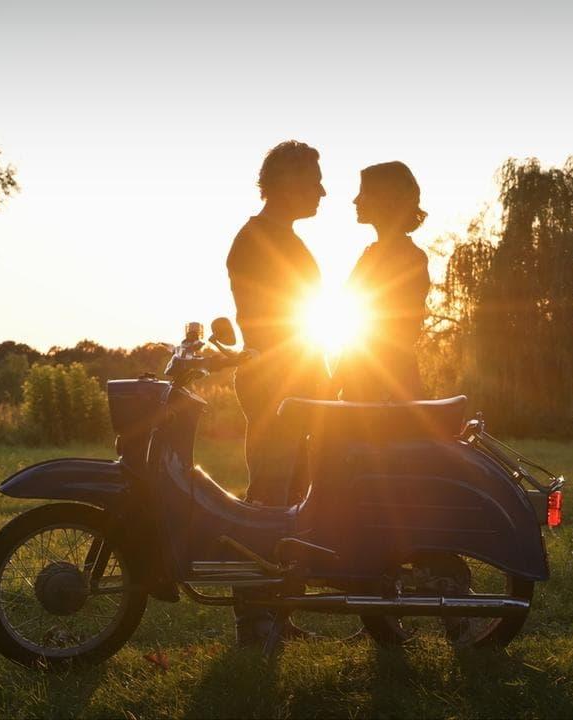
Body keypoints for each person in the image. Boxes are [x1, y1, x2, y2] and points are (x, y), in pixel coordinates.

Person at [226, 140, 329, 645]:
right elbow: (268, 325)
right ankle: (254, 619)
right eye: (314, 181)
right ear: (286, 183)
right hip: (276, 387)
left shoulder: (285, 238)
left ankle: (280, 610)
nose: (324, 192)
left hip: (299, 385)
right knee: (269, 498)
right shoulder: (257, 240)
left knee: (294, 498)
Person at [335, 161, 431, 402]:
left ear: (385, 199)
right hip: (369, 383)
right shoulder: (375, 254)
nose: (355, 200)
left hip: (382, 390)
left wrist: (332, 385)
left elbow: (389, 335)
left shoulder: (406, 258)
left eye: (363, 192)